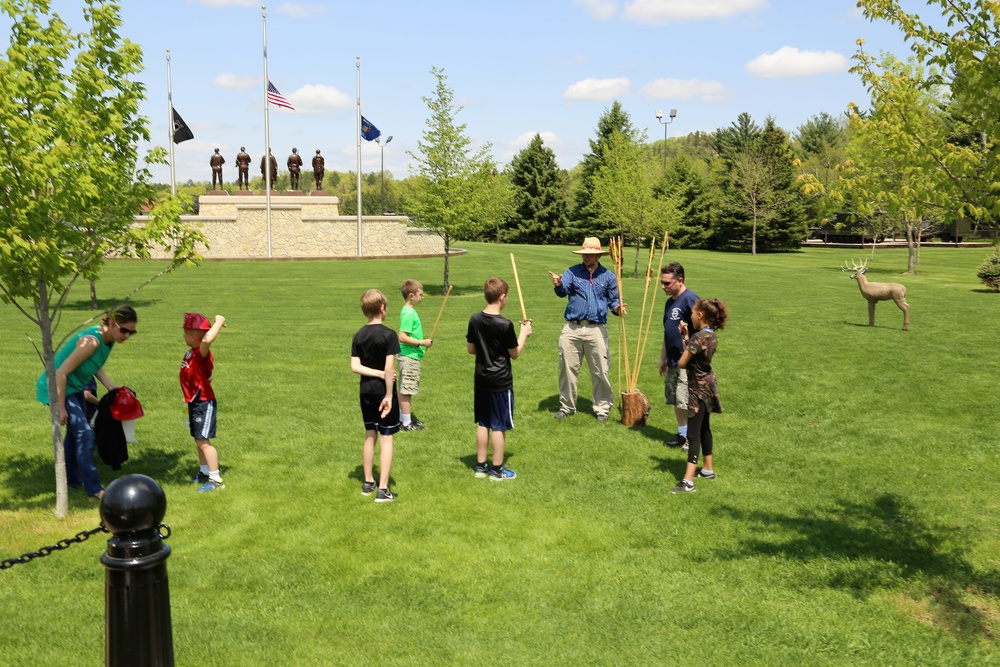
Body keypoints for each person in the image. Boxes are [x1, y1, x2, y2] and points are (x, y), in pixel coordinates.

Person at [36, 305, 138, 500]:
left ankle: (71, 480)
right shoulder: (91, 341)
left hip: (74, 387)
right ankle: (94, 488)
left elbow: (94, 363)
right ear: (111, 323)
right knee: (85, 433)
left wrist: (110, 386)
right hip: (58, 386)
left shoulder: (109, 340)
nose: (126, 336)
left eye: (131, 332)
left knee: (74, 435)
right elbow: (60, 373)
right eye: (124, 330)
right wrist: (61, 407)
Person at [548, 237, 625, 422]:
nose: (586, 257)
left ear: (598, 256)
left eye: (590, 254)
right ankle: (567, 407)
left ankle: (602, 409)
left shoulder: (608, 276)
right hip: (572, 328)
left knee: (601, 370)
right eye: (584, 254)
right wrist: (558, 284)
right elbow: (563, 291)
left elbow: (614, 300)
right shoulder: (572, 272)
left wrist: (618, 308)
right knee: (567, 369)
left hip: (596, 329)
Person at [466, 277, 532, 481]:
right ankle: (496, 470)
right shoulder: (505, 324)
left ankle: (480, 466)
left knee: (483, 422)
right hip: (500, 381)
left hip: (481, 379)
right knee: (499, 425)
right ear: (502, 297)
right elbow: (515, 353)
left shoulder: (475, 319)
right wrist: (524, 333)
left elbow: (471, 349)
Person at [671, 298, 727, 494]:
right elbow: (696, 355)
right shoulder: (710, 335)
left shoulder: (698, 337)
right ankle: (707, 470)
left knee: (693, 433)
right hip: (709, 384)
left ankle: (688, 482)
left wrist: (687, 341)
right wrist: (686, 337)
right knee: (704, 427)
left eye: (693, 313)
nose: (691, 316)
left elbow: (682, 363)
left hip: (698, 388)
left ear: (701, 315)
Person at [351, 289, 401, 502]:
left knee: (370, 434)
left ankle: (368, 481)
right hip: (383, 392)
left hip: (365, 391)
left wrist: (377, 373)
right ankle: (383, 489)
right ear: (382, 308)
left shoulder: (359, 335)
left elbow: (355, 366)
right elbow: (389, 369)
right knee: (386, 438)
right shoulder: (389, 335)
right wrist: (389, 395)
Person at [180, 312, 227, 493]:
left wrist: (219, 322)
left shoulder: (201, 352)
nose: (183, 336)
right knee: (198, 439)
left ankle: (216, 480)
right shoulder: (192, 353)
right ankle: (204, 471)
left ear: (193, 336)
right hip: (193, 401)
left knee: (204, 441)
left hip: (203, 402)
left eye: (185, 333)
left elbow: (206, 340)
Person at [658, 262, 699, 450]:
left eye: (667, 283)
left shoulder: (690, 299)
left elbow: (703, 329)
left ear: (680, 280)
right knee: (675, 398)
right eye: (662, 282)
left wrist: (692, 352)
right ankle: (683, 434)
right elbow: (667, 333)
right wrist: (663, 358)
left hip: (686, 360)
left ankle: (693, 438)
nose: (663, 286)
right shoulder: (670, 302)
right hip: (673, 359)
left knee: (686, 400)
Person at [397, 280, 433, 431]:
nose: (422, 297)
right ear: (411, 295)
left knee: (405, 389)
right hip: (409, 356)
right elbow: (402, 336)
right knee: (407, 390)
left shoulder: (410, 311)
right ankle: (406, 423)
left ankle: (402, 419)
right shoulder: (408, 313)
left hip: (410, 355)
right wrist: (421, 342)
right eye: (421, 295)